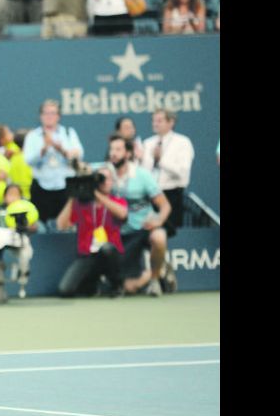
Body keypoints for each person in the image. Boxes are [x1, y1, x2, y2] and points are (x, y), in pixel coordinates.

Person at [106, 135, 173, 297]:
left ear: (128, 154)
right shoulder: (106, 174)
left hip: (144, 229)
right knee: (130, 288)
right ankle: (160, 271)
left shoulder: (142, 175)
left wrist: (158, 220)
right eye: (111, 149)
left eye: (118, 149)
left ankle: (155, 281)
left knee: (159, 237)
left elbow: (165, 206)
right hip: (121, 234)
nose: (113, 153)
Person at [56, 166, 127, 297]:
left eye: (107, 179)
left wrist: (96, 194)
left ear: (112, 182)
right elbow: (61, 225)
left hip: (110, 254)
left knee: (107, 249)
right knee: (65, 290)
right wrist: (73, 196)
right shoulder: (82, 204)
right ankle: (92, 284)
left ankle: (117, 285)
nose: (104, 182)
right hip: (88, 256)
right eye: (101, 179)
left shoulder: (117, 201)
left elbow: (122, 214)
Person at [23, 99, 83, 225]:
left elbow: (79, 154)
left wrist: (61, 149)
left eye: (53, 113)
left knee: (66, 224)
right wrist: (43, 150)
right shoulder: (33, 136)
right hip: (41, 187)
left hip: (65, 186)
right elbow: (28, 160)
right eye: (46, 113)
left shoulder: (68, 133)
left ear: (58, 116)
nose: (49, 116)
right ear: (41, 116)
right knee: (41, 224)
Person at [140, 109, 194, 237]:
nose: (155, 124)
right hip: (151, 196)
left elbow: (182, 172)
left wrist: (161, 160)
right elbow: (144, 172)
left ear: (171, 122)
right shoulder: (148, 143)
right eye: (153, 120)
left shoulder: (183, 142)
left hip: (172, 195)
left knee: (172, 233)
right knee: (149, 233)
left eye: (159, 120)